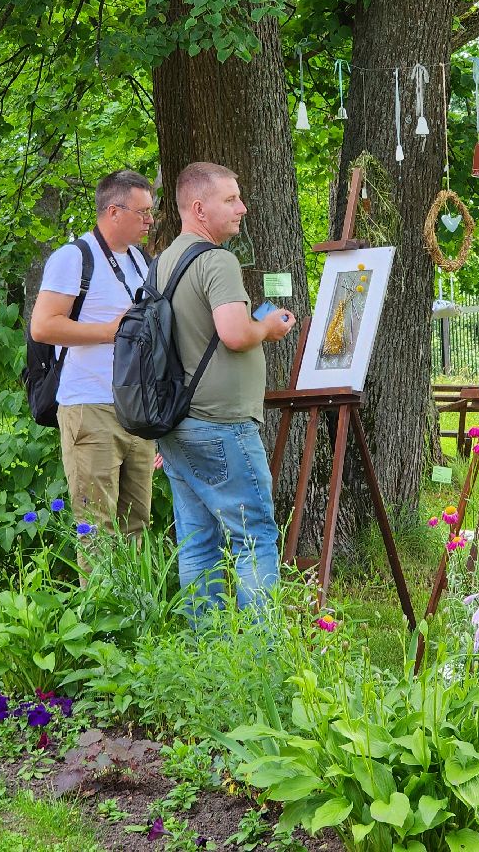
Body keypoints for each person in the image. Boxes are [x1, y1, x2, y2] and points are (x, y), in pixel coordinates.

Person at [153, 162, 295, 621]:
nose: (242, 207)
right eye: (230, 199)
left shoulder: (162, 263)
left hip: (177, 426)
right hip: (221, 426)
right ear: (198, 208)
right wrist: (269, 326)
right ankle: (262, 657)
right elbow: (234, 333)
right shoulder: (218, 260)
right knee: (254, 537)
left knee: (197, 544)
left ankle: (207, 653)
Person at [30, 170, 156, 546]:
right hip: (89, 405)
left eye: (151, 212)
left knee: (137, 526)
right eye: (143, 212)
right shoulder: (74, 258)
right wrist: (109, 332)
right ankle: (101, 606)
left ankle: (136, 605)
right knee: (97, 529)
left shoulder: (140, 261)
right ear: (114, 212)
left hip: (136, 408)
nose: (150, 220)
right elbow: (42, 326)